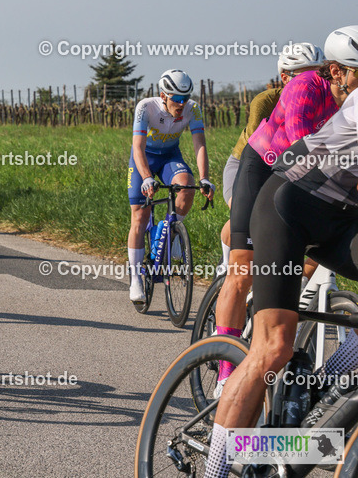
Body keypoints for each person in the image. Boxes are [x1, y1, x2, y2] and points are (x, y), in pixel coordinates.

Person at [204, 26, 358, 478]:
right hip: (288, 205)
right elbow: (292, 141)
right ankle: (216, 467)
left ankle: (318, 394)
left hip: (341, 216)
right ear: (339, 72)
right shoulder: (311, 89)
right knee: (273, 347)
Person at [211, 42, 329, 395]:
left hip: (301, 173)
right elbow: (296, 140)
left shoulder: (338, 99)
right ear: (285, 77)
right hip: (261, 166)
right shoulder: (269, 99)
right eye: (301, 74)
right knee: (243, 268)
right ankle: (225, 369)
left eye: (318, 71)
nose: (311, 79)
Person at [126, 69, 213, 305]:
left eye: (186, 98)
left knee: (187, 186)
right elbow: (137, 147)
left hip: (170, 157)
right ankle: (135, 278)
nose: (182, 104)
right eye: (177, 98)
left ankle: (171, 232)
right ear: (163, 95)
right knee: (140, 215)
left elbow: (199, 145)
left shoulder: (193, 109)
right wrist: (146, 177)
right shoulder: (146, 107)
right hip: (144, 157)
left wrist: (204, 178)